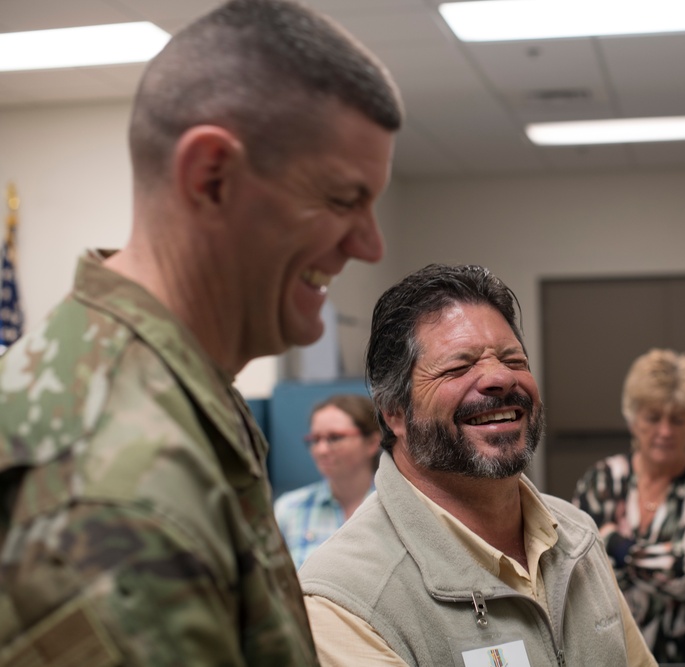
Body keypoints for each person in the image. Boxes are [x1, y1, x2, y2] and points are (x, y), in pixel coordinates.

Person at [0, 0, 402, 664]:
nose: (369, 244)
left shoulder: (171, 390)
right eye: (341, 199)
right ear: (211, 177)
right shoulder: (120, 480)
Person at [298, 264, 657, 666]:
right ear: (395, 412)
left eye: (514, 360)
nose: (499, 377)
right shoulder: (345, 600)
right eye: (458, 367)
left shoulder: (577, 538)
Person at [572, 348, 685, 663]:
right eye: (653, 417)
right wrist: (660, 556)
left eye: (678, 419)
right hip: (613, 651)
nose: (665, 431)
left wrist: (613, 543)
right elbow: (578, 565)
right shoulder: (602, 480)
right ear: (633, 419)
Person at [275, 393, 380, 569]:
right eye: (315, 440)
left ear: (371, 443)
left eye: (335, 438)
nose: (321, 450)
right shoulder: (289, 509)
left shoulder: (395, 506)